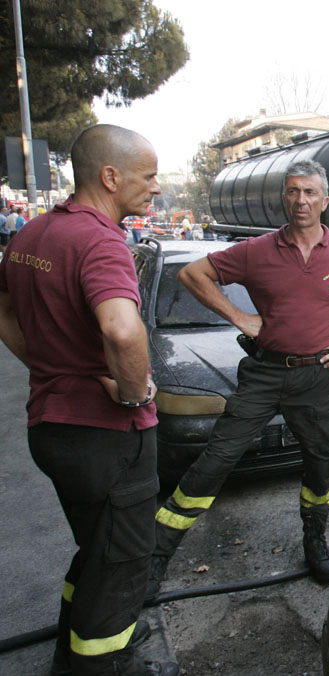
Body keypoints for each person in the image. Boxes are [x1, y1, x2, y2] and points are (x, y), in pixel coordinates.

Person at [147, 159, 329, 596]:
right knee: (215, 461)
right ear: (284, 195)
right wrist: (240, 317)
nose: (300, 201)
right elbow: (193, 274)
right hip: (263, 374)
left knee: (320, 465)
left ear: (325, 200)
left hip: (317, 376)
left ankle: (314, 538)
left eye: (309, 193)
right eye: (293, 191)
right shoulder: (257, 251)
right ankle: (155, 557)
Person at [0, 124, 177, 675]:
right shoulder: (101, 241)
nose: (155, 187)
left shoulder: (31, 236)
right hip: (105, 437)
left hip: (50, 428)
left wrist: (50, 367)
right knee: (123, 557)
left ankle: (72, 644)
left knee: (96, 548)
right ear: (110, 176)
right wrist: (132, 393)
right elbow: (123, 331)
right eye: (148, 176)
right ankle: (102, 660)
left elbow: (3, 309)